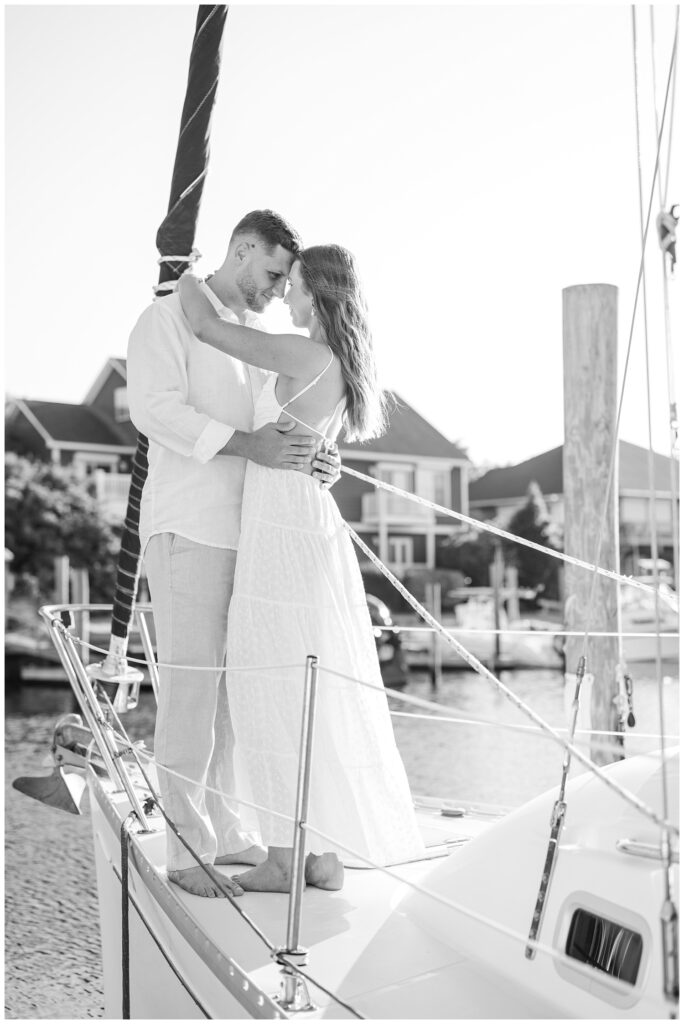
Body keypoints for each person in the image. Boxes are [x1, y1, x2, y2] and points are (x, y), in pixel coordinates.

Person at [178, 244, 425, 893]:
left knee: (272, 682)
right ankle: (323, 854)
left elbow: (207, 327)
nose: (283, 293)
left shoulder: (305, 353)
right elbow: (316, 448)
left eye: (290, 284)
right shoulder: (339, 363)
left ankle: (286, 859)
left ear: (314, 290)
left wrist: (186, 269)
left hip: (281, 530)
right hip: (305, 523)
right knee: (310, 681)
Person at [127, 210, 341, 899]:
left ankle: (229, 830)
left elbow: (282, 426)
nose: (280, 291)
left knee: (236, 697)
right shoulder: (164, 319)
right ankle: (187, 851)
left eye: (288, 281)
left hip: (256, 534)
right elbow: (153, 410)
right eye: (274, 273)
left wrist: (318, 457)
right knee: (192, 689)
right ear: (243, 250)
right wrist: (250, 446)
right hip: (191, 526)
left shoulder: (267, 338)